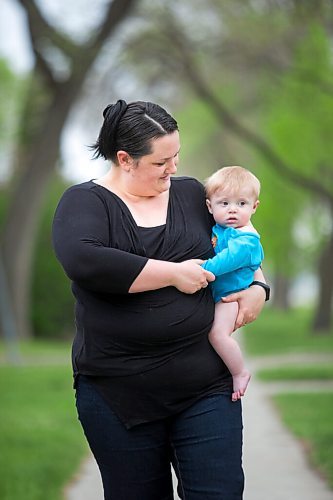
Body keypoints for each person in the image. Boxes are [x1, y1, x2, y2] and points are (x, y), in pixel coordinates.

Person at [52, 99, 269, 500]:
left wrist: (259, 287)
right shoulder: (85, 203)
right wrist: (173, 273)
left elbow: (239, 242)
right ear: (125, 159)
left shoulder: (190, 195)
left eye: (177, 156)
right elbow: (86, 261)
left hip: (205, 387)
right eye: (161, 162)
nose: (174, 168)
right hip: (118, 394)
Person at [202, 166, 265, 403]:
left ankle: (240, 372)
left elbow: (222, 263)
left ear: (254, 207)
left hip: (232, 296)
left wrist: (195, 270)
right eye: (224, 203)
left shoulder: (246, 240)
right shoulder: (223, 229)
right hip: (221, 293)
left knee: (218, 334)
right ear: (210, 206)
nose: (232, 210)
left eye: (241, 203)